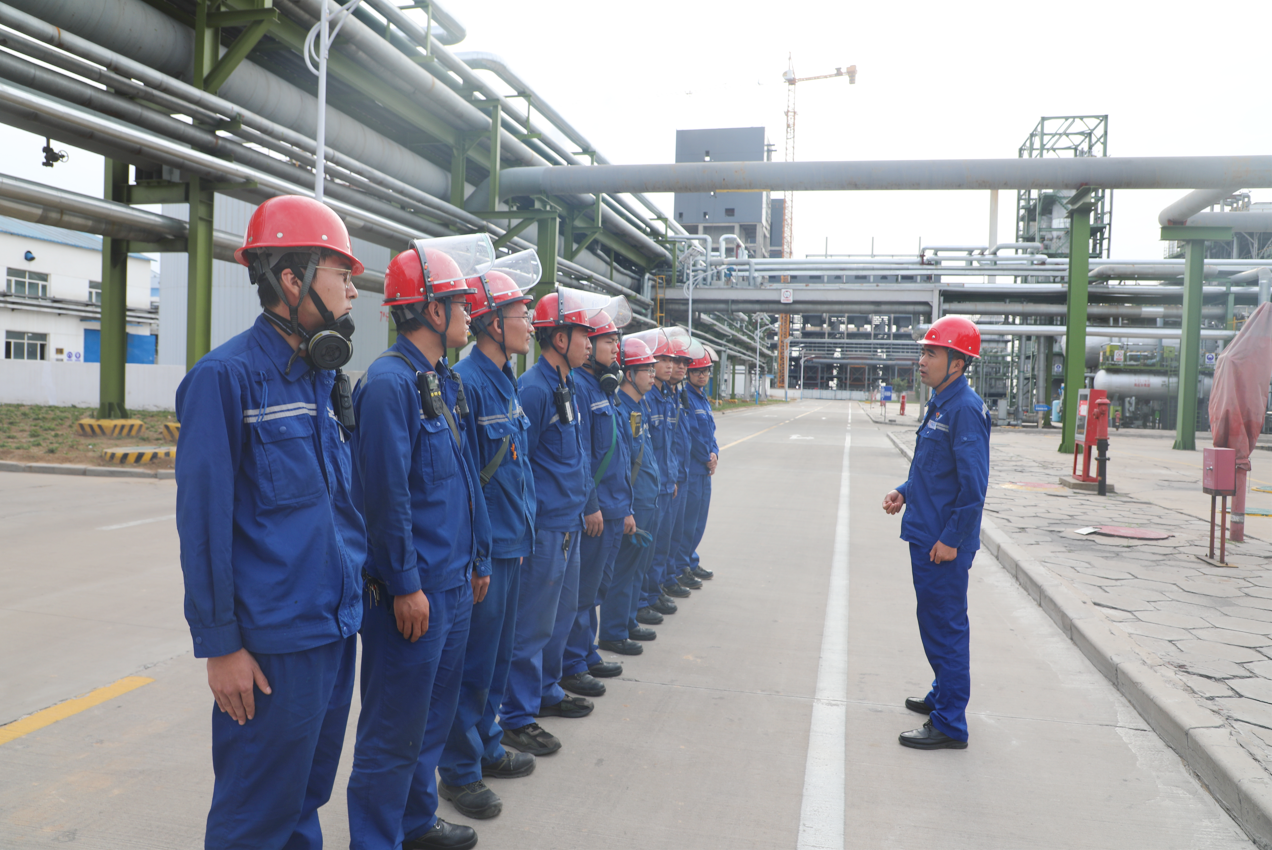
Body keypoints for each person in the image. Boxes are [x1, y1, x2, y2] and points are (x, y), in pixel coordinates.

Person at [174, 194, 365, 850]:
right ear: (292, 278)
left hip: (332, 627)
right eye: (342, 276)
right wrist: (220, 645)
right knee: (256, 815)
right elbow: (202, 524)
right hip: (273, 644)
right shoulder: (225, 378)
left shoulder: (320, 378)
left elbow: (338, 507)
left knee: (305, 797)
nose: (352, 292)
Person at [347, 234, 494, 850]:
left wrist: (478, 555)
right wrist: (405, 584)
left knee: (429, 718)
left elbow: (462, 477)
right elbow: (386, 499)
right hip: (416, 591)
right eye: (461, 304)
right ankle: (376, 839)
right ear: (433, 310)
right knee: (393, 727)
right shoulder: (389, 384)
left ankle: (414, 823)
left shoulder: (438, 380)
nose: (470, 314)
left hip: (452, 582)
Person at [438, 252, 541, 821]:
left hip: (513, 541)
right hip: (488, 548)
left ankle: (488, 745)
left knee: (498, 661)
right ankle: (459, 770)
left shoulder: (505, 382)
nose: (530, 323)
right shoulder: (467, 384)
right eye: (521, 314)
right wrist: (478, 554)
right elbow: (465, 481)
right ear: (493, 324)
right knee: (474, 666)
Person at [500, 286, 621, 754]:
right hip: (547, 526)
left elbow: (577, 457)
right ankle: (517, 715)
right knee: (531, 624)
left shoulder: (565, 385)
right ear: (558, 338)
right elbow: (520, 465)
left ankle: (546, 689)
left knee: (559, 616)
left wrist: (585, 503)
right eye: (582, 335)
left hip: (568, 522)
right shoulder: (534, 389)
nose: (589, 343)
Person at [881, 315, 990, 751]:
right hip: (927, 531)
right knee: (934, 623)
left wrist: (951, 539)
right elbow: (934, 470)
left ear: (957, 363)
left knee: (945, 628)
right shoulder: (942, 402)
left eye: (931, 353)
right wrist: (904, 491)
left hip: (941, 542)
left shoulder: (964, 409)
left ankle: (950, 722)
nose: (922, 360)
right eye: (923, 352)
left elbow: (973, 487)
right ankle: (942, 694)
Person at [560, 304, 636, 697]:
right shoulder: (580, 389)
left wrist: (624, 506)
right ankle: (571, 663)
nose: (614, 348)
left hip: (613, 506)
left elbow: (618, 452)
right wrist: (592, 505)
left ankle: (585, 652)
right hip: (597, 511)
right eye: (608, 341)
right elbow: (583, 457)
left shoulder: (604, 389)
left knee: (596, 589)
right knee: (582, 592)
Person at [598, 335, 663, 655]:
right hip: (633, 502)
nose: (652, 374)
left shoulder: (639, 407)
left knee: (638, 566)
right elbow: (621, 465)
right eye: (646, 369)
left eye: (652, 368)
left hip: (647, 499)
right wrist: (626, 508)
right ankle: (612, 632)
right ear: (628, 373)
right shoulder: (622, 410)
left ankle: (627, 620)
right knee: (623, 570)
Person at [676, 344, 719, 583]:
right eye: (696, 371)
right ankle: (681, 567)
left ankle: (690, 560)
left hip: (704, 470)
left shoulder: (703, 399)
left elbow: (710, 434)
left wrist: (715, 454)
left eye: (705, 371)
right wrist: (707, 457)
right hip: (693, 470)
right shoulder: (687, 398)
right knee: (688, 522)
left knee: (699, 521)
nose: (701, 375)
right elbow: (692, 434)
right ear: (689, 373)